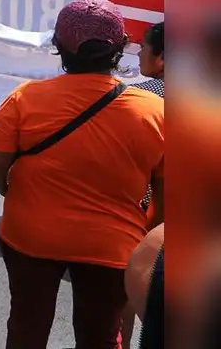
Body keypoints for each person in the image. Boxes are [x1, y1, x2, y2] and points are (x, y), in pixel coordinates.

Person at [0, 0, 165, 349]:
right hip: (113, 245)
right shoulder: (156, 111)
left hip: (30, 233)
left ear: (58, 47)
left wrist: (15, 194)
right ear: (120, 46)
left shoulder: (25, 99)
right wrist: (145, 235)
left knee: (26, 327)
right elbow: (167, 194)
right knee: (100, 335)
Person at [122, 20, 164, 347]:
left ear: (162, 58)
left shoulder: (142, 98)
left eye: (144, 47)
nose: (138, 54)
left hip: (147, 221)